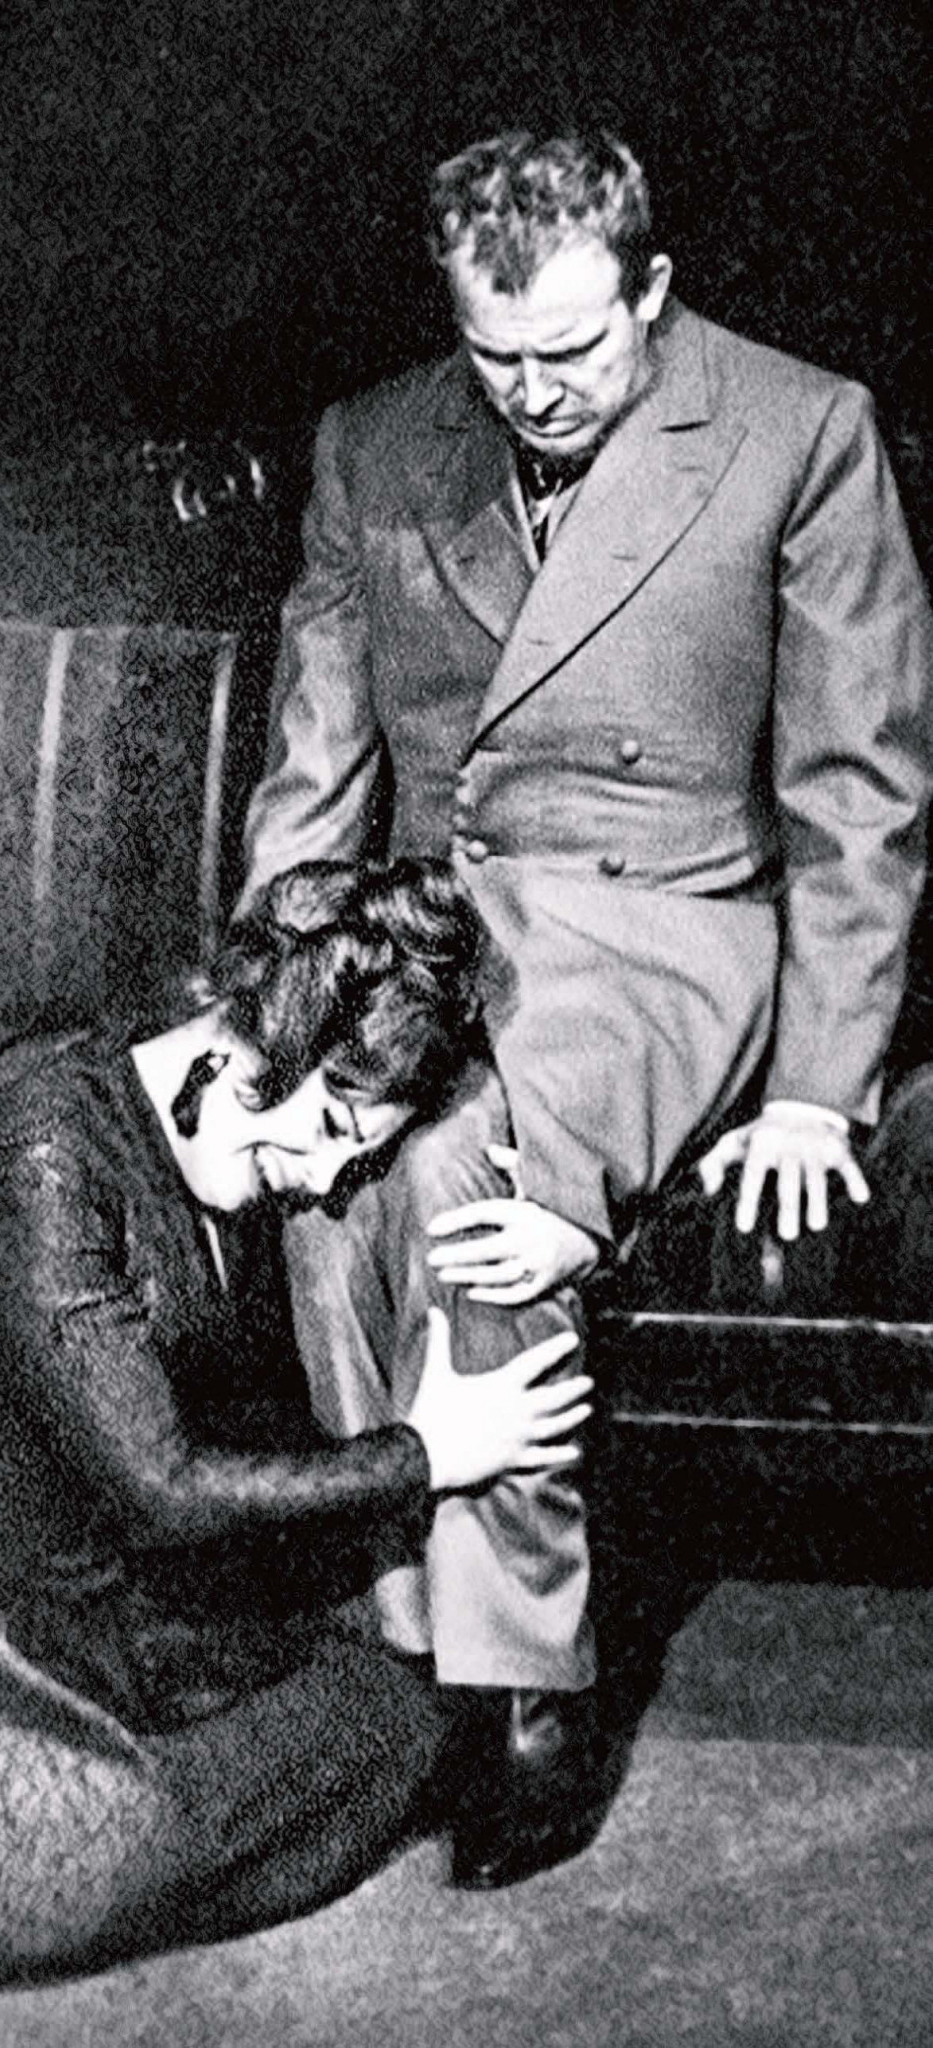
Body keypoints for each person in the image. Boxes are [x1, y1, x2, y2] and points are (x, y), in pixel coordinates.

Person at [232, 125, 933, 1886]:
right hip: (440, 923)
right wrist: (274, 1016)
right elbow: (314, 775)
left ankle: (523, 1677)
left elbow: (856, 793)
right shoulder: (374, 443)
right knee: (337, 1169)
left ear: (650, 290)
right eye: (496, 357)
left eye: (570, 349)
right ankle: (404, 1649)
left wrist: (815, 1086)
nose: (534, 394)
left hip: (665, 932)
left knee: (477, 1191)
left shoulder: (796, 429)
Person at [0, 857, 593, 1994]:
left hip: (95, 1604)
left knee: (390, 1722)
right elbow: (162, 1488)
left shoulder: (220, 1134)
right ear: (242, 1040)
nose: (324, 1177)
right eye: (327, 1126)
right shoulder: (47, 1153)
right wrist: (429, 1452)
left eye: (359, 1154)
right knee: (116, 1836)